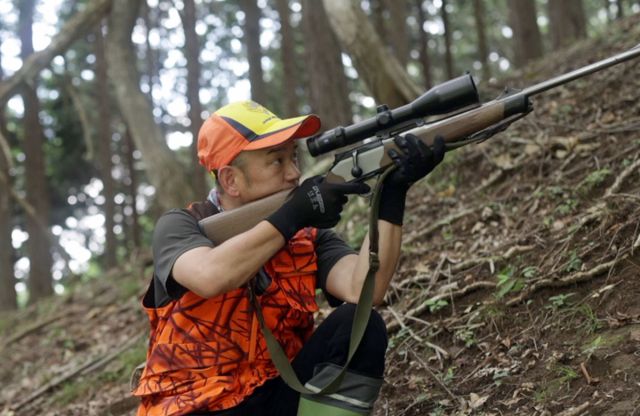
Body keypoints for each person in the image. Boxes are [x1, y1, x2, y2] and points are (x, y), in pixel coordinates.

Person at [132, 100, 445, 416]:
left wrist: (392, 195)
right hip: (196, 407)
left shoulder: (304, 236)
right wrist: (292, 216)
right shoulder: (180, 226)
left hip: (278, 395)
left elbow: (364, 289)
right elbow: (211, 276)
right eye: (276, 161)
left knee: (357, 326)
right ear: (230, 180)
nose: (294, 173)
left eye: (293, 157)